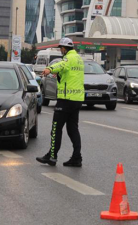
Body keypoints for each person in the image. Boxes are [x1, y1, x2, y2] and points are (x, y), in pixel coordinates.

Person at [36, 38, 85, 167]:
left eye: (60, 48)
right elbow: (67, 73)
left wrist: (49, 69)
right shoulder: (79, 59)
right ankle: (77, 157)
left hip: (66, 100)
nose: (60, 51)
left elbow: (61, 65)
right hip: (77, 99)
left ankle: (52, 156)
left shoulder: (68, 59)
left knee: (56, 129)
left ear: (64, 48)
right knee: (73, 129)